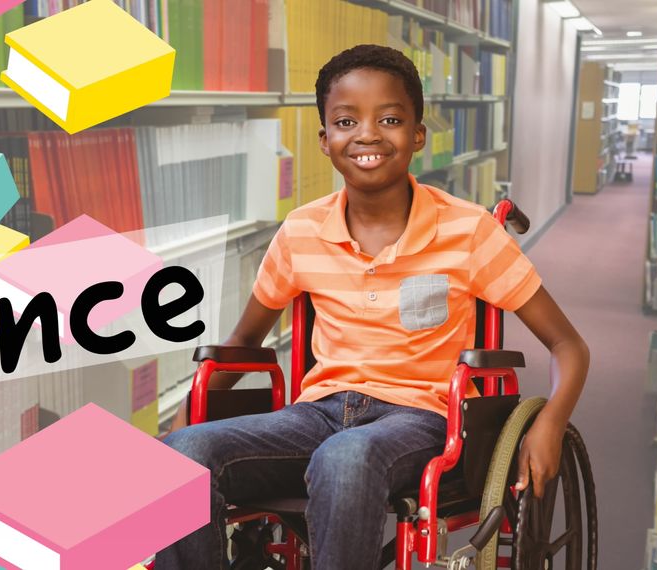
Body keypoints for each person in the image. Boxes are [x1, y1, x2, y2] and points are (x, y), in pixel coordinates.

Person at [155, 44, 590, 570]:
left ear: (418, 134)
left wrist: (549, 423)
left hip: (424, 421)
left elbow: (569, 345)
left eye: (389, 118)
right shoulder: (301, 231)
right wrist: (182, 425)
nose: (367, 134)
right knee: (184, 455)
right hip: (317, 415)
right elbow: (245, 342)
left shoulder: (469, 230)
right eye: (346, 120)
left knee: (346, 457)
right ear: (325, 139)